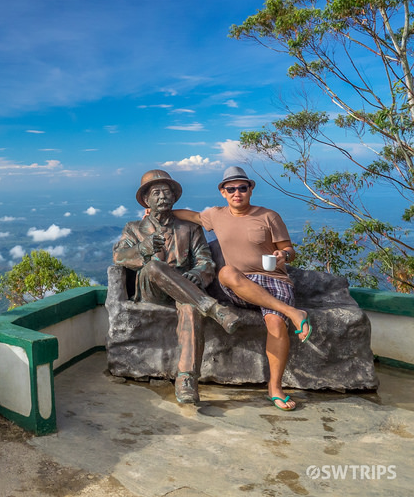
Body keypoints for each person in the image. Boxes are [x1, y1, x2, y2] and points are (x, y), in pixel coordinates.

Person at [174, 165, 311, 411]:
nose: (237, 193)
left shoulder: (269, 216)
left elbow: (290, 249)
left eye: (242, 188)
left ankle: (275, 389)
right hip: (240, 284)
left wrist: (283, 256)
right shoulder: (216, 215)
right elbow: (189, 215)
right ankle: (293, 313)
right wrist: (155, 211)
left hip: (273, 280)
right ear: (223, 192)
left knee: (275, 323)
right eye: (231, 189)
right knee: (225, 272)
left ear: (250, 189)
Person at [113, 169, 241, 404]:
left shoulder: (190, 229)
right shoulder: (133, 228)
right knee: (153, 267)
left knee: (191, 308)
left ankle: (186, 379)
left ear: (174, 197)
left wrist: (197, 275)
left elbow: (206, 262)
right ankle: (213, 308)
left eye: (167, 192)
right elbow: (119, 257)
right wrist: (144, 248)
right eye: (156, 193)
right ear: (146, 201)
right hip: (151, 290)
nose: (163, 197)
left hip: (185, 290)